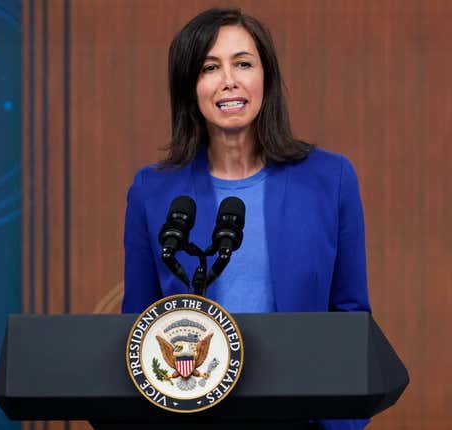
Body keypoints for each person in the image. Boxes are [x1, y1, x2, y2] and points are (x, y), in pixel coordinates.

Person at [122, 8, 371, 430]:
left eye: (243, 63)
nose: (229, 81)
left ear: (266, 79)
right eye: (209, 67)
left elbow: (350, 315)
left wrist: (338, 424)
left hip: (300, 419)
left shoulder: (330, 179)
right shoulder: (153, 192)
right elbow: (137, 328)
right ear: (190, 88)